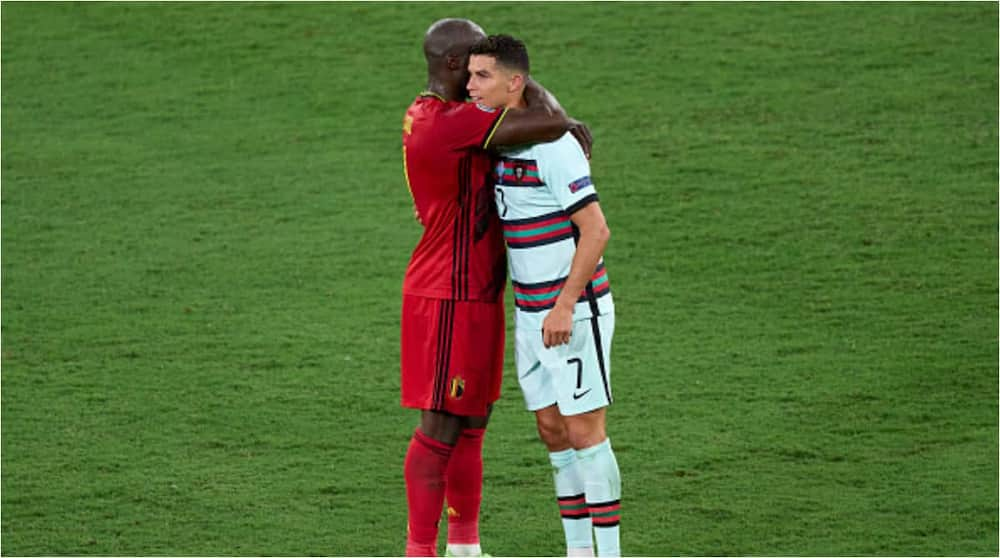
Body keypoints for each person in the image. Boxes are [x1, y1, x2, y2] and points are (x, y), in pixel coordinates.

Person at [401, 19, 593, 558]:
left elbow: (541, 125)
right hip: (445, 295)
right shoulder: (449, 122)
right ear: (452, 67)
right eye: (475, 62)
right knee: (439, 427)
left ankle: (465, 547)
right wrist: (537, 96)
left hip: (477, 294)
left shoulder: (448, 117)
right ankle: (419, 551)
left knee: (472, 424)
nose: (483, 70)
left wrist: (548, 117)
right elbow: (548, 118)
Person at [466, 35, 621, 557]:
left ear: (515, 82)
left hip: (572, 312)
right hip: (531, 315)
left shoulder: (554, 148)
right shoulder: (503, 140)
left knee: (585, 432)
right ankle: (578, 551)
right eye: (468, 75)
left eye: (481, 76)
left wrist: (564, 305)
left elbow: (595, 230)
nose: (470, 87)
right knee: (552, 431)